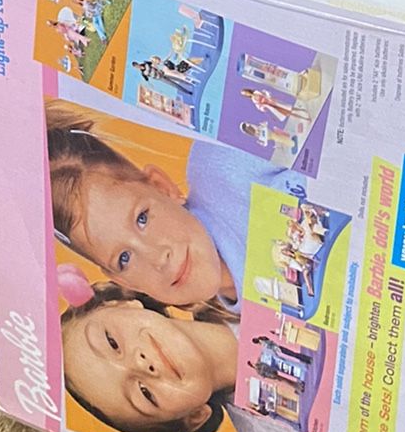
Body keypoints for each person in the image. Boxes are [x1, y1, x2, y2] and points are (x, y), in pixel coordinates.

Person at [46, 102, 299, 314]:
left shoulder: (222, 160)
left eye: (142, 219)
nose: (157, 257)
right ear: (121, 281)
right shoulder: (234, 330)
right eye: (124, 258)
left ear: (163, 187)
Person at [60, 280, 304, 432]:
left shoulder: (235, 274)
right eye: (145, 393)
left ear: (123, 304)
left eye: (111, 342)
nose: (141, 363)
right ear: (194, 417)